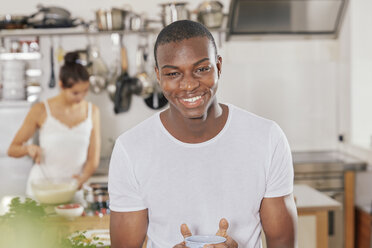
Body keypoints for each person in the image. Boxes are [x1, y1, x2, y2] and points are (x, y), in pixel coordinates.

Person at [108, 20, 297, 248]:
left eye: (201, 69)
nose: (188, 85)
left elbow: (282, 242)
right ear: (158, 76)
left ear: (218, 66)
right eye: (173, 73)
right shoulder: (131, 149)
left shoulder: (267, 138)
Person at [7, 52, 101, 196]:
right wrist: (28, 149)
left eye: (85, 91)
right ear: (61, 85)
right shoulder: (41, 110)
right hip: (41, 190)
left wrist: (83, 178)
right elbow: (12, 149)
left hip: (73, 190)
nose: (81, 97)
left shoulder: (92, 111)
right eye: (75, 93)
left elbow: (93, 159)